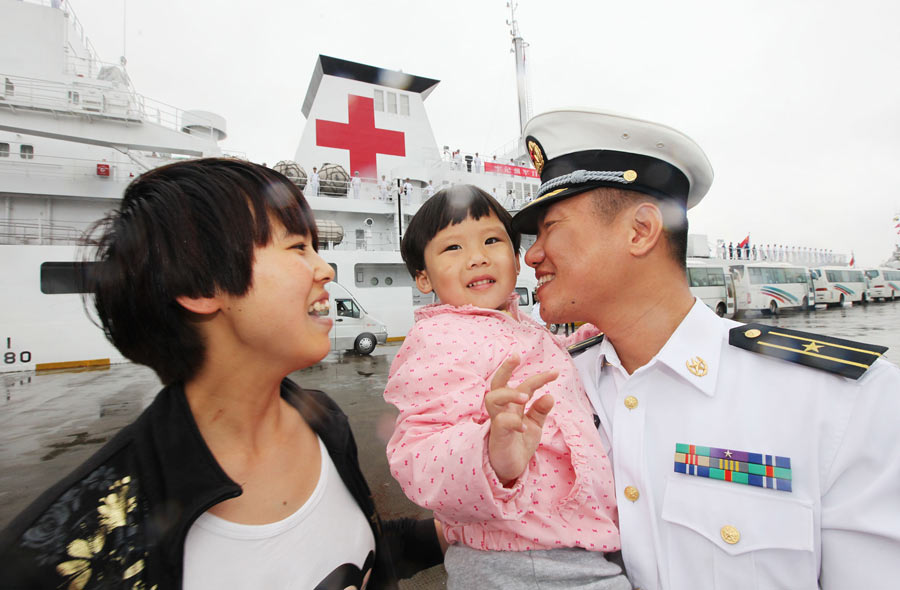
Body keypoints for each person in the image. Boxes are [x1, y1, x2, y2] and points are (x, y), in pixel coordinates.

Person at [0, 159, 442, 589]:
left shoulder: (323, 420)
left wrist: (459, 530)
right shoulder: (60, 555)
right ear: (198, 286)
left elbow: (362, 550)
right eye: (297, 247)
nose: (324, 270)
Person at [512, 108, 900, 590]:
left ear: (640, 231)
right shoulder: (551, 387)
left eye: (550, 227)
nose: (531, 255)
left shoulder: (844, 403)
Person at [383, 185, 629, 590]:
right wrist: (489, 454)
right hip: (519, 556)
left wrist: (597, 330)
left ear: (516, 260)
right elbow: (417, 455)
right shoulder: (439, 338)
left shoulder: (524, 327)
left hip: (568, 542)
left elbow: (551, 362)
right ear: (423, 277)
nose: (477, 257)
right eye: (453, 248)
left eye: (492, 241)